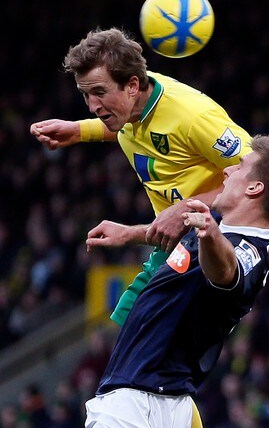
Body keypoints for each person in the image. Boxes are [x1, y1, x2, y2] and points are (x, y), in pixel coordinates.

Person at [30, 27, 252, 329]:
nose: (93, 106)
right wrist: (79, 130)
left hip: (216, 245)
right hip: (175, 243)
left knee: (142, 345)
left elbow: (256, 172)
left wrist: (187, 208)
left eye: (99, 92)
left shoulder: (192, 116)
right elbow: (129, 126)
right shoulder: (133, 107)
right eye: (85, 94)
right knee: (128, 334)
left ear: (132, 85)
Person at [82, 134, 269, 427]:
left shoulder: (249, 252)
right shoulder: (217, 228)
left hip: (139, 401)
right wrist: (130, 234)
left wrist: (210, 233)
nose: (227, 171)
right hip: (163, 399)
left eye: (239, 167)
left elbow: (227, 272)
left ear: (254, 187)